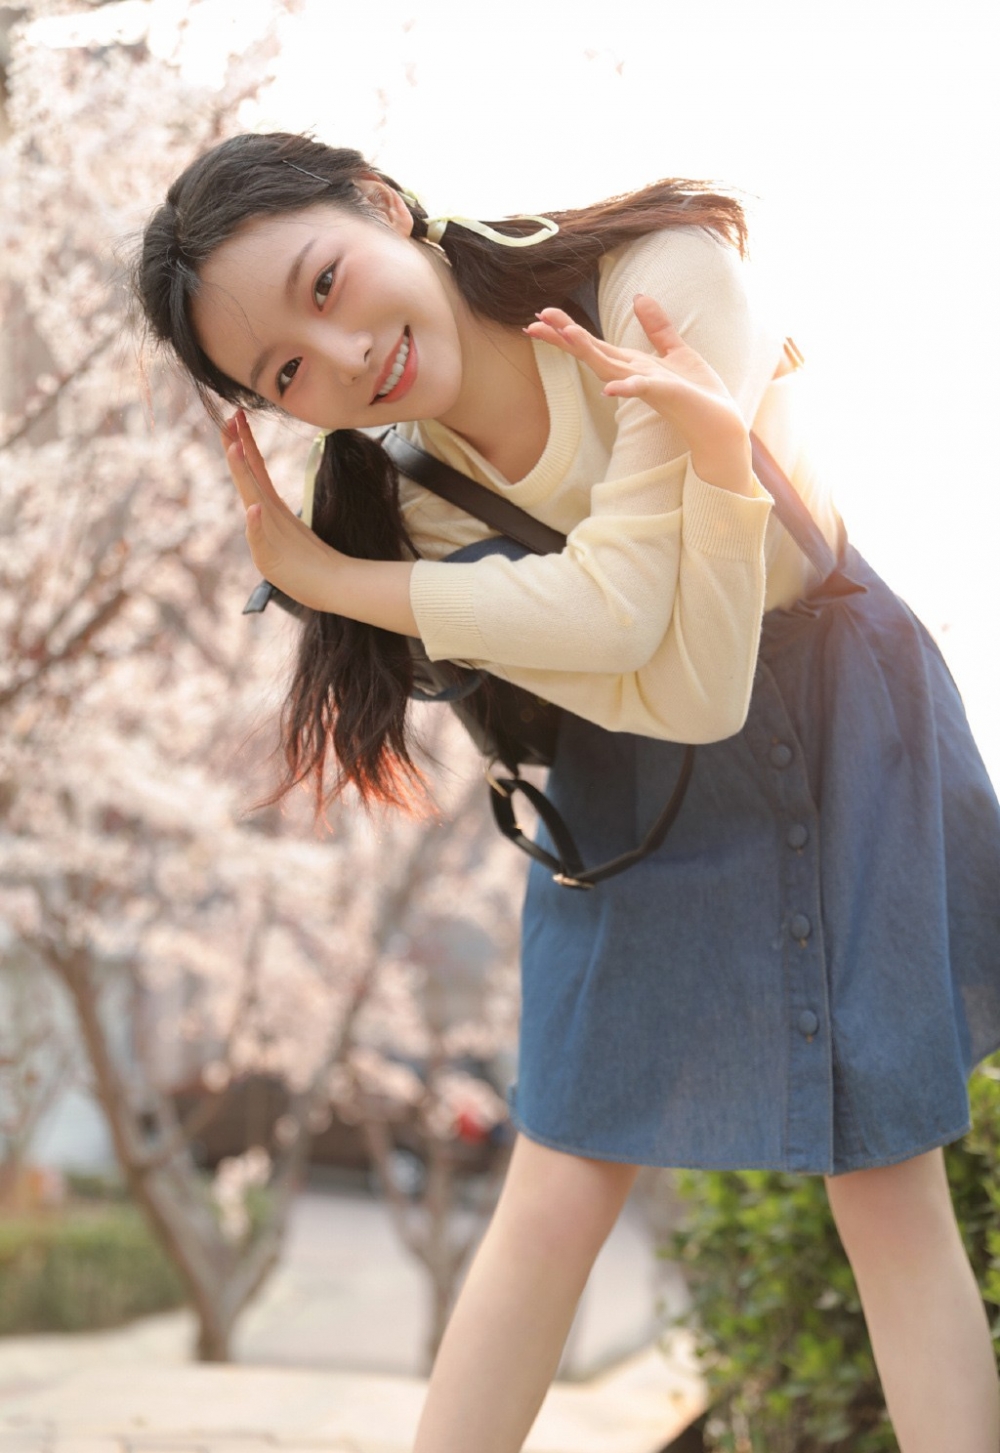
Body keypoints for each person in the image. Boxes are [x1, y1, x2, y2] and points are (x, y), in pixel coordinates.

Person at [135, 132, 1000, 1453]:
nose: (347, 353)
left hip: (831, 711)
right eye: (287, 371)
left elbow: (690, 660)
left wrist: (335, 582)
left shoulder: (662, 280)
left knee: (885, 1180)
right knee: (558, 1174)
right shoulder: (411, 491)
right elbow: (642, 669)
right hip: (627, 762)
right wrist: (369, 569)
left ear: (382, 203)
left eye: (326, 282)